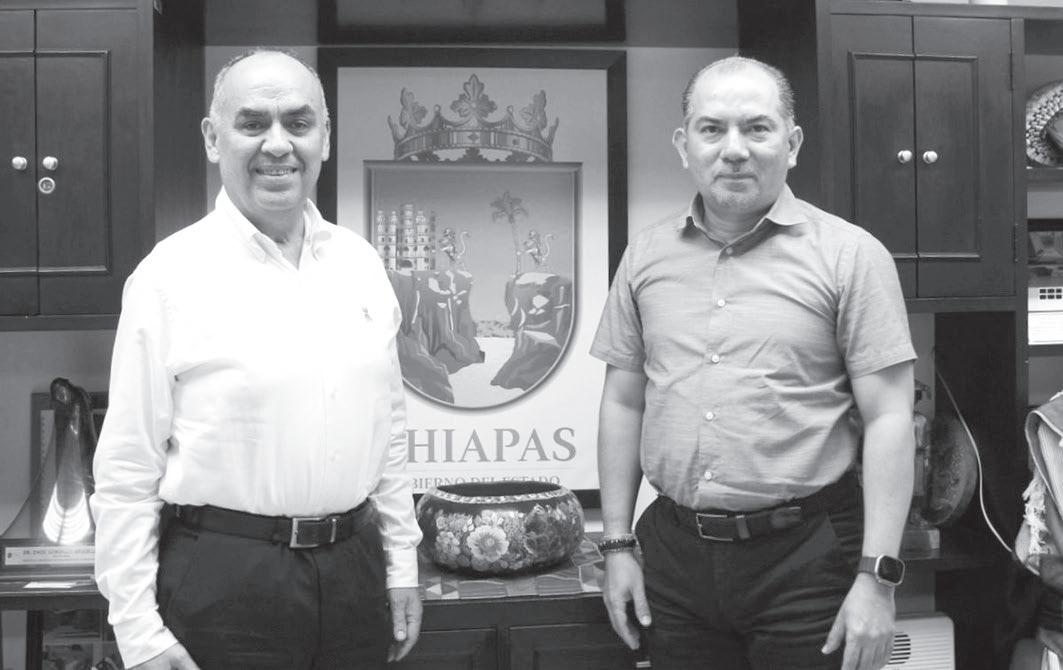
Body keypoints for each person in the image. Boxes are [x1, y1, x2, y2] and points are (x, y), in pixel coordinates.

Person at [91, 48, 422, 670]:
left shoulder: (361, 263)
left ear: (325, 137)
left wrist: (401, 563)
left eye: (298, 123)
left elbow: (390, 431)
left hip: (355, 573)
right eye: (252, 123)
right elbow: (127, 472)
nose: (278, 144)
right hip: (225, 584)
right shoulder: (168, 277)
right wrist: (138, 633)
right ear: (212, 139)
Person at [590, 56, 916, 670]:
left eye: (757, 128)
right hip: (675, 559)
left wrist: (878, 578)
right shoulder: (645, 256)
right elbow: (623, 401)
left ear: (792, 144)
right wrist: (616, 545)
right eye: (712, 129)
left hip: (808, 559)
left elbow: (890, 418)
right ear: (684, 145)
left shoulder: (851, 256)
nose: (734, 149)